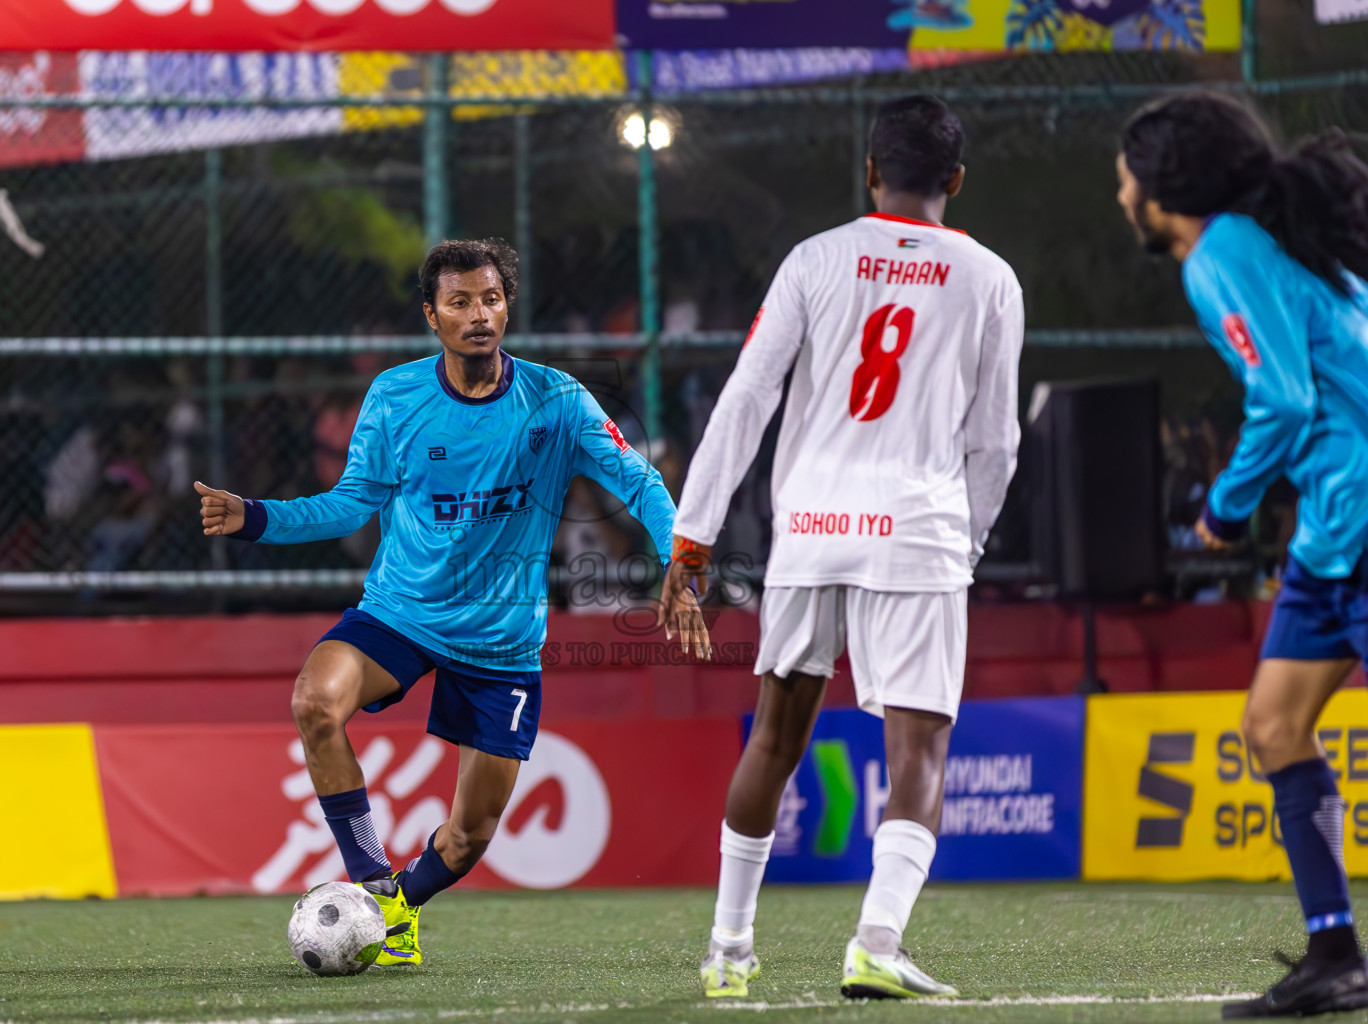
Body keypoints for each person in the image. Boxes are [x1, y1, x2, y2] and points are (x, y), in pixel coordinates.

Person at [195, 238, 710, 966]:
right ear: (432, 315)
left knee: (469, 837)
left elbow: (639, 482)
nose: (479, 314)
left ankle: (400, 904)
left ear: (508, 307)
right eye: (461, 302)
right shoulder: (396, 397)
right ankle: (373, 887)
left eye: (491, 299)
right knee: (316, 702)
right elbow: (350, 506)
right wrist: (257, 516)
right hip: (400, 614)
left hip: (501, 641)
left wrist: (680, 558)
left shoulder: (557, 402)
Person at [659, 95, 1023, 1001]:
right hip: (919, 532)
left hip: (812, 532)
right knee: (918, 754)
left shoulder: (813, 260)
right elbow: (997, 441)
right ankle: (875, 941)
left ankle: (728, 953)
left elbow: (745, 398)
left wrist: (694, 533)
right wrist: (963, 543)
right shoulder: (989, 277)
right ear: (957, 180)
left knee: (775, 739)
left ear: (869, 171)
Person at [1117, 91, 1368, 1019]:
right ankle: (1336, 954)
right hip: (1337, 528)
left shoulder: (1222, 251)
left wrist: (1224, 506)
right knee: (1272, 728)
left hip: (1360, 515)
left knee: (1274, 728)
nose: (1119, 194)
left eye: (1125, 175)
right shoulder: (1268, 245)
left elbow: (1289, 399)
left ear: (1162, 184)